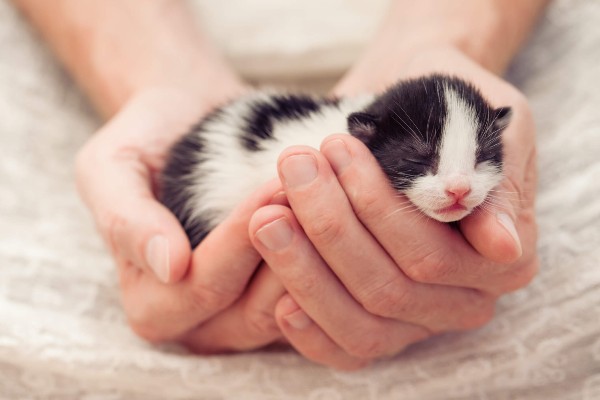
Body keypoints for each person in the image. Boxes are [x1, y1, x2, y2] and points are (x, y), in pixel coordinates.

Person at [13, 0, 547, 370]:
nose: (459, 189)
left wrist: (448, 38)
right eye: (426, 161)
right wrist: (156, 77)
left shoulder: (392, 139)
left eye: (480, 162)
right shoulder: (337, 146)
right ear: (366, 137)